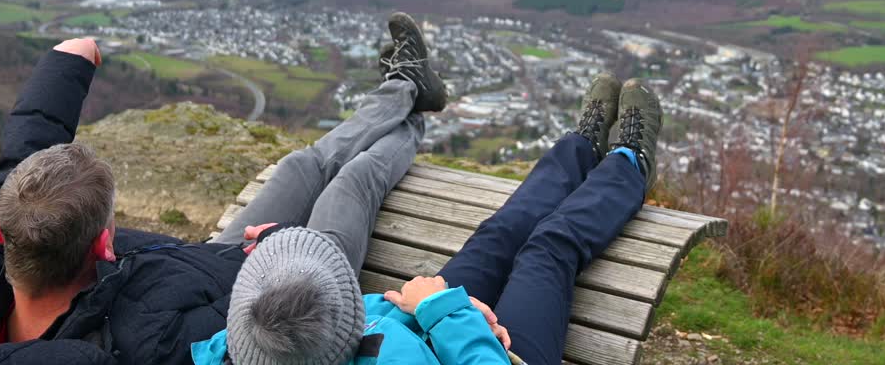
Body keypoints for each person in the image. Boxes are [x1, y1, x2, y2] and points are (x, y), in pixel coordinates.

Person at [0, 12, 445, 365]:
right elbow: (260, 321)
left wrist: (68, 63)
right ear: (106, 246)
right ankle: (414, 109)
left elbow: (19, 157)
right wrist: (272, 249)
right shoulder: (152, 347)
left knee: (300, 168)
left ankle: (402, 86)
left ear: (0, 228)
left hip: (221, 259)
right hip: (295, 286)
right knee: (351, 184)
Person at [200, 72, 662, 365]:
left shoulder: (242, 348)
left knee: (496, 237)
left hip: (423, 324)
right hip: (496, 351)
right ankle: (629, 161)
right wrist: (445, 313)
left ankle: (580, 147)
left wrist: (430, 310)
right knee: (549, 249)